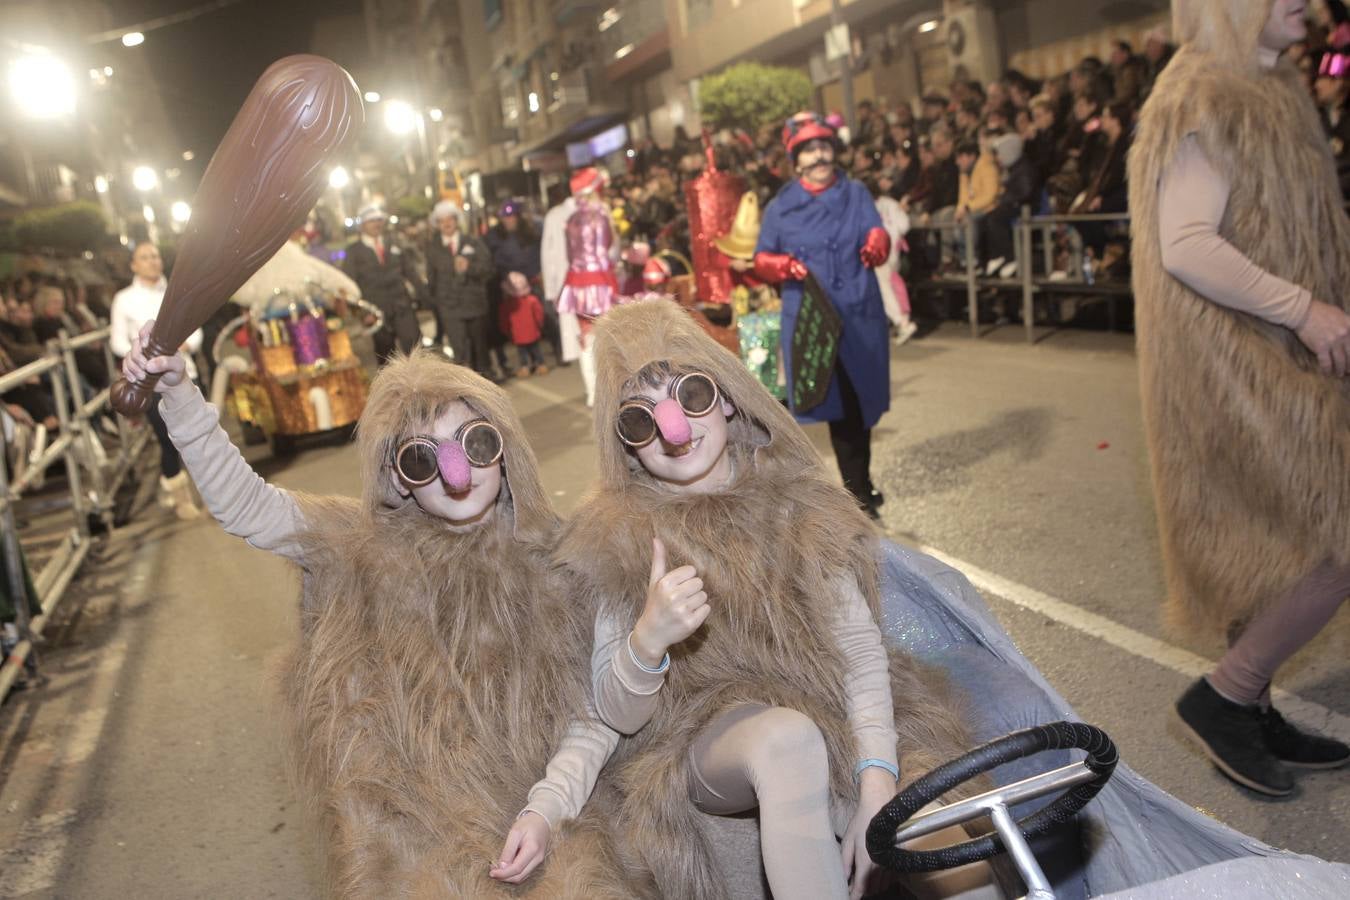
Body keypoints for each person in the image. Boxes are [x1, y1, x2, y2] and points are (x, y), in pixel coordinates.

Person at [121, 334, 651, 898]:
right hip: (423, 817)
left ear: (505, 450)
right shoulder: (359, 543)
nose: (457, 470)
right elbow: (245, 505)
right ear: (398, 480)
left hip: (554, 800)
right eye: (422, 456)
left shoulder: (559, 560)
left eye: (474, 441)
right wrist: (178, 394)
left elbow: (592, 715)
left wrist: (545, 811)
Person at [555, 300, 988, 900]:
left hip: (837, 713)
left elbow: (861, 659)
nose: (673, 426)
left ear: (729, 397)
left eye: (693, 394)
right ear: (626, 445)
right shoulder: (614, 538)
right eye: (639, 419)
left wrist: (877, 794)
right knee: (785, 738)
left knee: (947, 842)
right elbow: (614, 714)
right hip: (709, 740)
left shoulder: (804, 506)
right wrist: (647, 640)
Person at [1129, 0, 1350, 797]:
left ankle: (1248, 704)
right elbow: (1186, 246)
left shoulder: (1277, 84)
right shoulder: (1204, 90)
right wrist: (1304, 309)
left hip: (1289, 348)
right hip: (1239, 364)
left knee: (1275, 546)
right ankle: (1226, 694)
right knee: (1337, 535)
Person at [753, 112, 892, 519]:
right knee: (840, 407)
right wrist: (782, 266)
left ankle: (861, 485)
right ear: (796, 160)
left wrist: (877, 240)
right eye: (810, 149)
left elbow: (877, 233)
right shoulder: (781, 207)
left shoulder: (857, 194)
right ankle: (857, 494)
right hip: (815, 321)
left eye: (824, 147)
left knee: (862, 403)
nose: (819, 155)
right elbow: (761, 257)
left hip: (858, 313)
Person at [108, 241, 201, 519]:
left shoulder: (175, 290)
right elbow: (116, 341)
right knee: (168, 438)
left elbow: (195, 327)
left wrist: (187, 344)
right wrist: (143, 355)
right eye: (145, 257)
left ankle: (211, 491)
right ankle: (181, 496)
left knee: (198, 434)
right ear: (134, 265)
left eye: (155, 256)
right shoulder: (123, 299)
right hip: (150, 382)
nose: (152, 261)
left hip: (187, 373)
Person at [555, 167, 619, 408]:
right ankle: (610, 386)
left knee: (586, 337)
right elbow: (609, 252)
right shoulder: (601, 215)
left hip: (576, 282)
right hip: (600, 282)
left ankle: (592, 392)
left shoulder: (570, 220)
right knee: (610, 332)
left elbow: (570, 254)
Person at [342, 205, 425, 365]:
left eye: (379, 220)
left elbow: (411, 272)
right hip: (376, 312)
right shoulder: (354, 251)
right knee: (386, 359)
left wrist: (424, 296)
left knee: (416, 351)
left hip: (402, 307)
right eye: (371, 221)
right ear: (362, 225)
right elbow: (349, 287)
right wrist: (362, 313)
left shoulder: (394, 244)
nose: (376, 224)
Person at [426, 200, 495, 379]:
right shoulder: (433, 249)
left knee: (480, 347)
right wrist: (438, 304)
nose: (447, 223)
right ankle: (466, 387)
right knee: (460, 350)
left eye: (450, 219)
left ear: (456, 221)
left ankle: (487, 382)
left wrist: (469, 267)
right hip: (450, 307)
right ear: (437, 225)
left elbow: (488, 268)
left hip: (474, 303)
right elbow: (431, 280)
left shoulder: (472, 242)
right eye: (442, 221)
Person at [498, 272, 548, 377]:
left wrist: (506, 331)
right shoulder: (532, 300)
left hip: (517, 335)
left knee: (522, 352)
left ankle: (525, 367)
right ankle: (541, 364)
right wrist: (540, 325)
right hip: (533, 331)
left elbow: (504, 321)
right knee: (535, 349)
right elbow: (539, 315)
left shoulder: (507, 305)